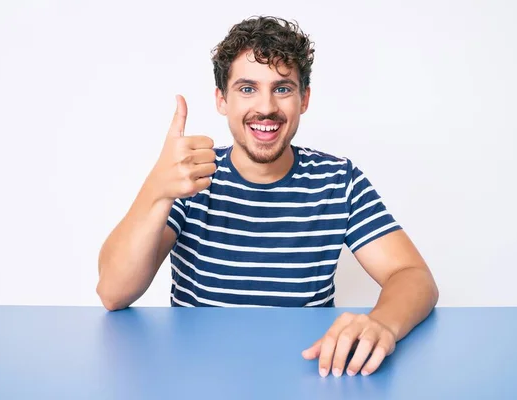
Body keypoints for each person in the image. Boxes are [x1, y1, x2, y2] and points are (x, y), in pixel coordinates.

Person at [96, 15, 439, 377]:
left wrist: (382, 324)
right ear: (221, 100)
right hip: (198, 377)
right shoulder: (189, 178)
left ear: (303, 98)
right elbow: (113, 293)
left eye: (282, 88)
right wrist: (156, 190)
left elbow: (413, 275)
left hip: (309, 373)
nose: (266, 107)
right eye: (247, 89)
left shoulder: (338, 179)